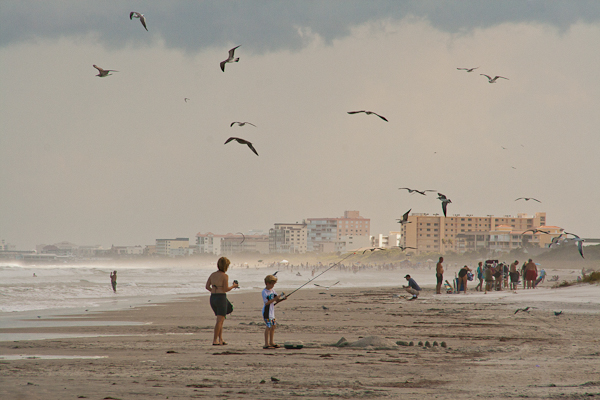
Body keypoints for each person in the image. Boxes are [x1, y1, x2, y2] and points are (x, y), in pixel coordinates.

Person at [205, 257, 238, 346]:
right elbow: (226, 289)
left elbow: (207, 287)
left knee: (221, 320)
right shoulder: (224, 276)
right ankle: (215, 340)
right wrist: (233, 286)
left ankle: (221, 339)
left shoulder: (212, 274)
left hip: (213, 298)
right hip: (221, 298)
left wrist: (214, 289)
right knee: (219, 321)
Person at [262, 274, 286, 349]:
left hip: (272, 312)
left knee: (273, 326)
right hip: (267, 311)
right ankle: (266, 343)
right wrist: (275, 299)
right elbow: (267, 302)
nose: (273, 285)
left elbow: (276, 300)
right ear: (267, 283)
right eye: (272, 284)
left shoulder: (273, 291)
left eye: (274, 284)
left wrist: (282, 298)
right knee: (268, 326)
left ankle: (271, 342)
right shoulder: (264, 292)